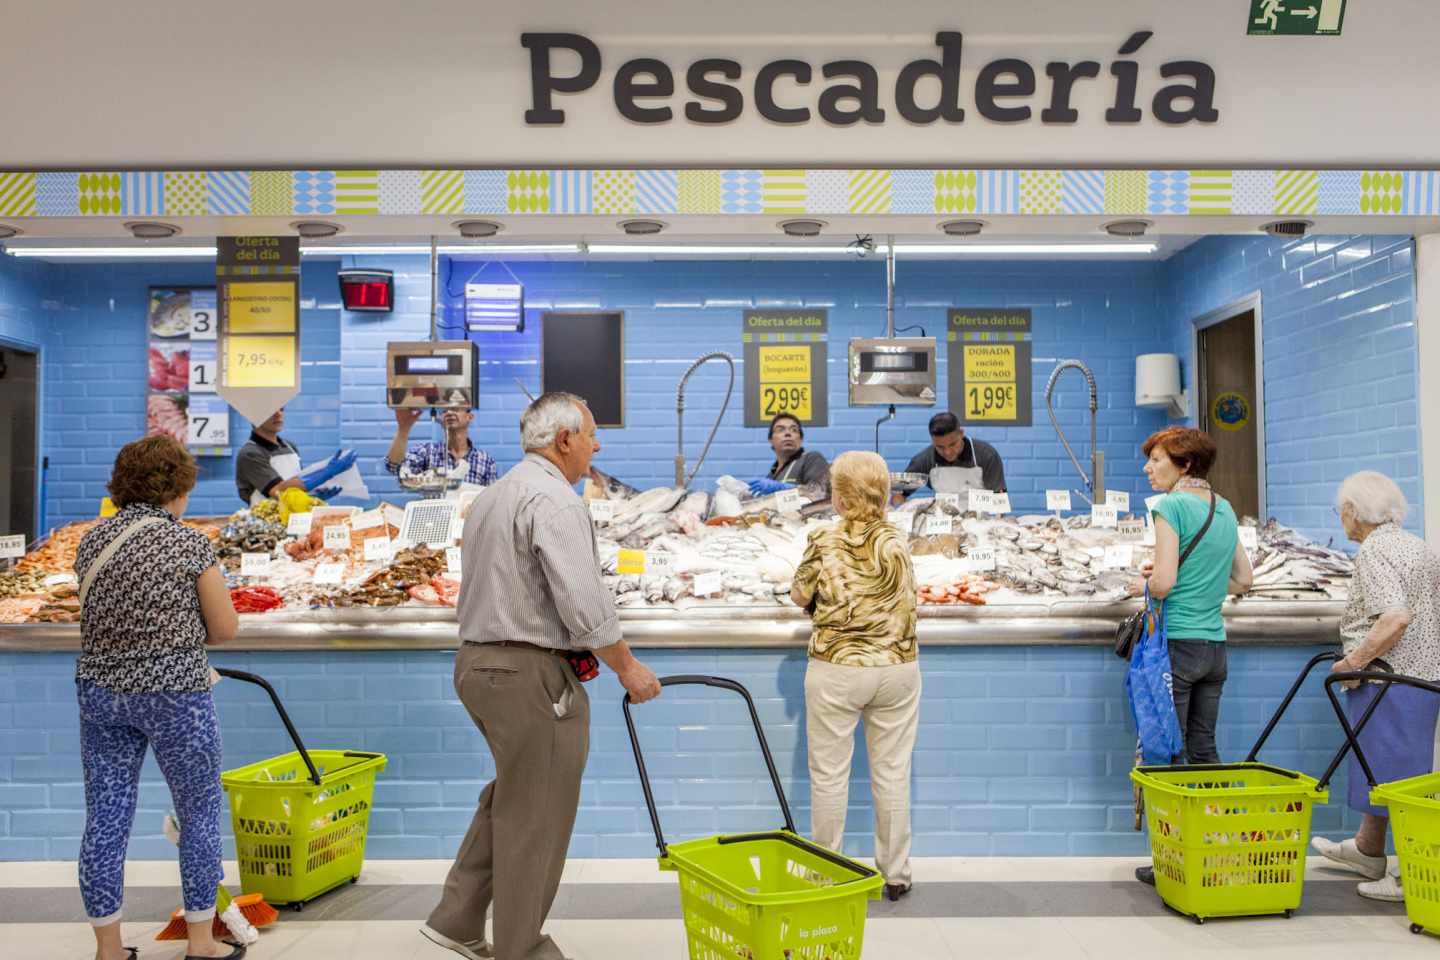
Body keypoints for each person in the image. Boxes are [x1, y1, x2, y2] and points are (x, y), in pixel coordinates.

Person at [422, 392, 661, 960]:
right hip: (529, 673)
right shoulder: (554, 500)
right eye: (592, 435)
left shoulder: (493, 496)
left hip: (477, 664)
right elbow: (583, 602)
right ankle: (521, 948)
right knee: (540, 813)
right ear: (564, 441)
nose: (597, 446)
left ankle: (456, 917)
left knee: (515, 792)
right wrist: (628, 667)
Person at [75, 435, 241, 960]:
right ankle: (200, 943)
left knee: (105, 815)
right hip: (176, 696)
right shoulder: (189, 544)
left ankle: (108, 948)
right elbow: (224, 629)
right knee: (197, 813)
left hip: (102, 693)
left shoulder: (91, 541)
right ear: (177, 488)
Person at [790, 450, 920, 903]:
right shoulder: (898, 541)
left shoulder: (823, 538)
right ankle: (896, 873)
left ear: (840, 498)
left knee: (829, 775)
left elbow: (797, 593)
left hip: (837, 669)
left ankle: (826, 875)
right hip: (896, 669)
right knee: (892, 773)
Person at [1312, 471, 1440, 903]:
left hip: (1391, 677)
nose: (1341, 519)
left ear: (1353, 512)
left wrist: (1352, 662)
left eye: (1340, 510)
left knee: (1396, 775)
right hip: (1420, 677)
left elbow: (1396, 618)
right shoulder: (1414, 544)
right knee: (1383, 768)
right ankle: (1368, 850)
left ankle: (1407, 877)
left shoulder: (1374, 551)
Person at [1133, 427, 1251, 886]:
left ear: (1184, 465)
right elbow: (1243, 579)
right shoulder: (1223, 508)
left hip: (1176, 646)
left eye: (1156, 459)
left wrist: (1142, 583)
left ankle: (1173, 859)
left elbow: (1161, 584)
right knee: (1205, 750)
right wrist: (1197, 582)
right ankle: (1215, 852)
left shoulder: (1170, 506)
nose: (1148, 467)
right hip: (1213, 649)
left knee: (1168, 753)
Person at [234, 405, 356, 505]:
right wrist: (326, 473)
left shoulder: (290, 447)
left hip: (297, 521)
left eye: (281, 409)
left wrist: (311, 497)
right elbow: (279, 491)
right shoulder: (250, 454)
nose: (278, 414)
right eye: (271, 410)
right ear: (253, 417)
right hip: (267, 525)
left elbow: (296, 487)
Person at [385, 405, 498, 487]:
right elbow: (393, 466)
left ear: (470, 417)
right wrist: (403, 428)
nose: (449, 412)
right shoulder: (428, 452)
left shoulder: (485, 461)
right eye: (444, 410)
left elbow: (491, 502)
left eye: (455, 408)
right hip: (434, 519)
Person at [903, 412, 1005, 496]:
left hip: (981, 518)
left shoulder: (987, 455)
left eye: (952, 444)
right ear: (933, 441)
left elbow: (999, 496)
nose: (947, 452)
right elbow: (900, 493)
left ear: (961, 434)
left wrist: (997, 520)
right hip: (944, 518)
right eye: (940, 447)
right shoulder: (924, 459)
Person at [749, 413, 829, 496]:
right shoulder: (772, 474)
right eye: (780, 430)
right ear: (771, 440)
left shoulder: (811, 459)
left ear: (800, 439)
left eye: (794, 430)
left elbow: (821, 493)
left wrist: (784, 488)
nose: (788, 433)